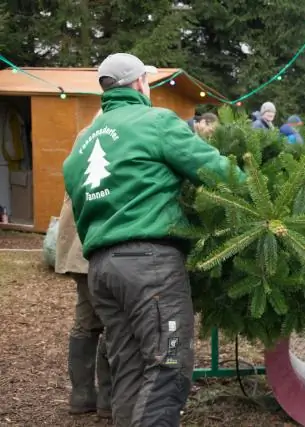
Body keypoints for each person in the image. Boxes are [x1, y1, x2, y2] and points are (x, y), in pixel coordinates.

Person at [62, 52, 243, 426]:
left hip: (101, 271)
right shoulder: (155, 122)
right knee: (169, 365)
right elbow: (214, 170)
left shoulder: (80, 145)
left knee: (128, 367)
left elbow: (80, 211)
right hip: (151, 267)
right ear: (140, 84)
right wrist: (258, 189)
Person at [56, 110, 111, 420]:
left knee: (86, 320)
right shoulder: (108, 142)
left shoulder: (84, 138)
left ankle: (82, 396)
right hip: (96, 245)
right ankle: (108, 398)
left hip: (79, 248)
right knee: (114, 322)